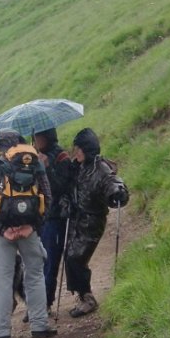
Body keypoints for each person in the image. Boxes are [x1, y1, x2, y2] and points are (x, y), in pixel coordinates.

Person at [0, 129, 57, 338]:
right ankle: (39, 326)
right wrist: (32, 227)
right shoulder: (35, 165)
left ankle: (2, 332)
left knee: (3, 281)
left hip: (1, 233)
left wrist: (3, 228)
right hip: (29, 230)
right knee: (35, 275)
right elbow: (47, 197)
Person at [65, 128, 129, 318]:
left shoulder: (101, 168)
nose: (75, 153)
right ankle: (83, 295)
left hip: (92, 221)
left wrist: (117, 192)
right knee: (70, 256)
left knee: (76, 257)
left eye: (78, 149)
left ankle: (87, 298)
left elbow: (113, 181)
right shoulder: (79, 166)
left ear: (87, 149)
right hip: (78, 218)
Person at [33, 127, 75, 316]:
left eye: (38, 136)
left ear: (47, 136)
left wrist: (47, 168)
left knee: (50, 262)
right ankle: (36, 302)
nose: (35, 140)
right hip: (39, 217)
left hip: (56, 217)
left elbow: (61, 187)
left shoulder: (61, 157)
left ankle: (45, 302)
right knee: (36, 262)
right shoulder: (34, 156)